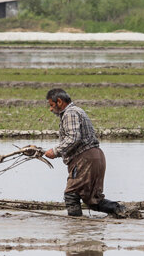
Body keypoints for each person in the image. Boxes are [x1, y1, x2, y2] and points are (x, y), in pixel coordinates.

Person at [44, 88, 137, 218]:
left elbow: (73, 138)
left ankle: (75, 226)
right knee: (93, 200)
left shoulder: (70, 113)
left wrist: (55, 151)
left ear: (59, 102)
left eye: (51, 105)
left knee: (71, 194)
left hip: (84, 159)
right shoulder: (78, 111)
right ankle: (122, 210)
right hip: (95, 156)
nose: (50, 109)